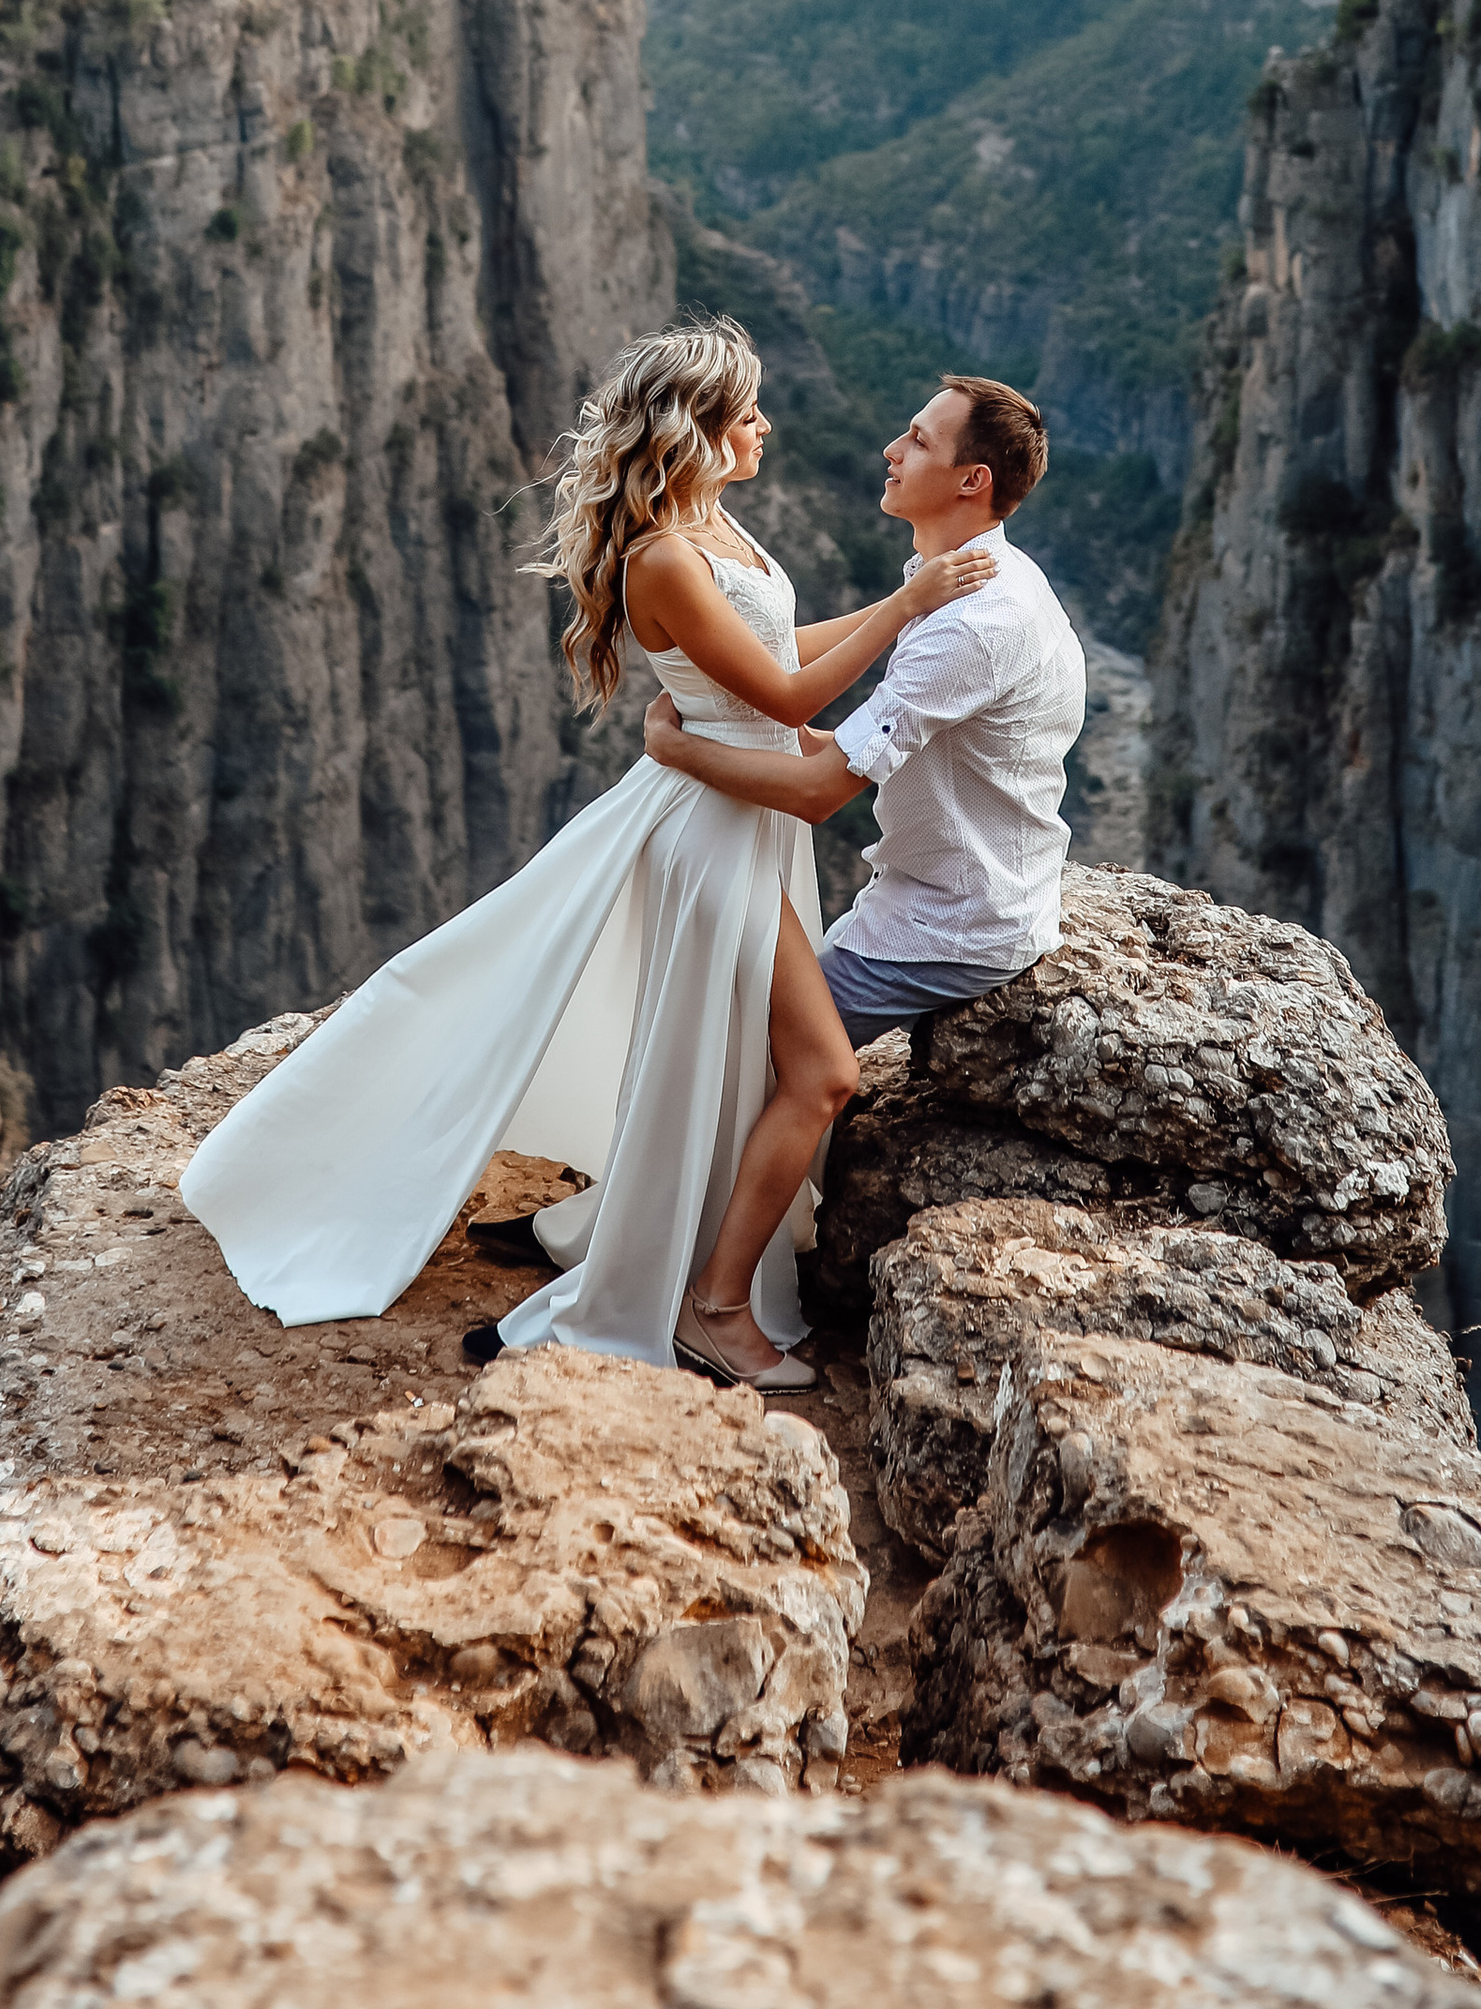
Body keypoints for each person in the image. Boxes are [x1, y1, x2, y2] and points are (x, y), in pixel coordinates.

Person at [177, 319, 990, 1382]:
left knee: (738, 1063)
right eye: (746, 414)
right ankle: (695, 1303)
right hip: (710, 833)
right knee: (818, 1071)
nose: (765, 427)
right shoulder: (662, 557)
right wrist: (908, 604)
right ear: (692, 430)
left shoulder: (714, 526)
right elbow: (788, 697)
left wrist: (872, 630)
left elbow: (773, 654)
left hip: (738, 809)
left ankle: (675, 1259)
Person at [641, 373, 1086, 1380]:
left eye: (919, 441)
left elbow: (812, 795)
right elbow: (852, 735)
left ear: (971, 481)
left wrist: (678, 751)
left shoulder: (971, 620)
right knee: (734, 1033)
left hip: (944, 927)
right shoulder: (976, 577)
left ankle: (707, 1303)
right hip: (944, 894)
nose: (892, 448)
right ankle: (628, 1235)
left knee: (792, 1068)